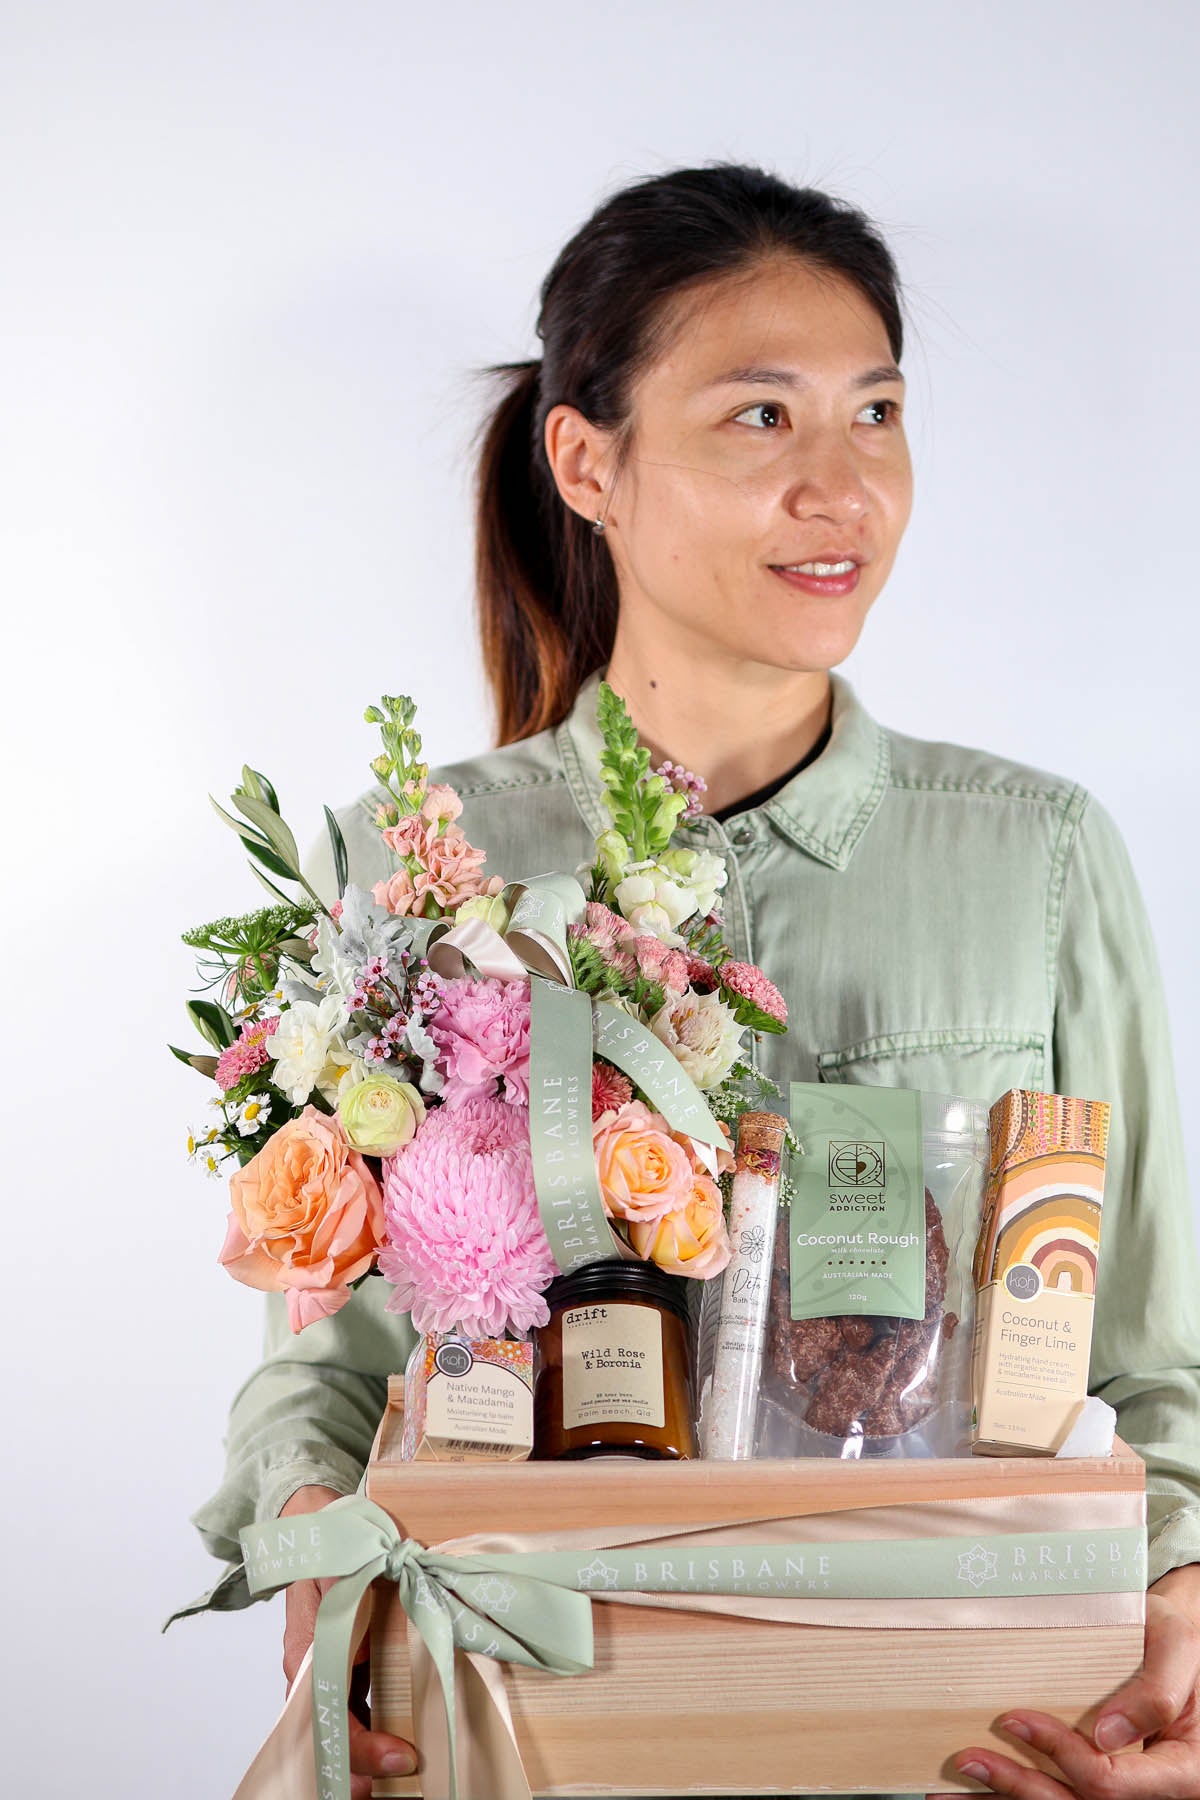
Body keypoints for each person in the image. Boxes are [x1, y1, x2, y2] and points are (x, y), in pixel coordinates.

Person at [179, 163, 1200, 1800]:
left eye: (876, 412)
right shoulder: (415, 866)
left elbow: (1148, 1357)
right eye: (760, 419)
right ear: (586, 461)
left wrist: (1181, 1617)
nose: (844, 487)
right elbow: (339, 1359)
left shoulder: (1041, 858)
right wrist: (322, 1568)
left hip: (971, 1721)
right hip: (540, 1707)